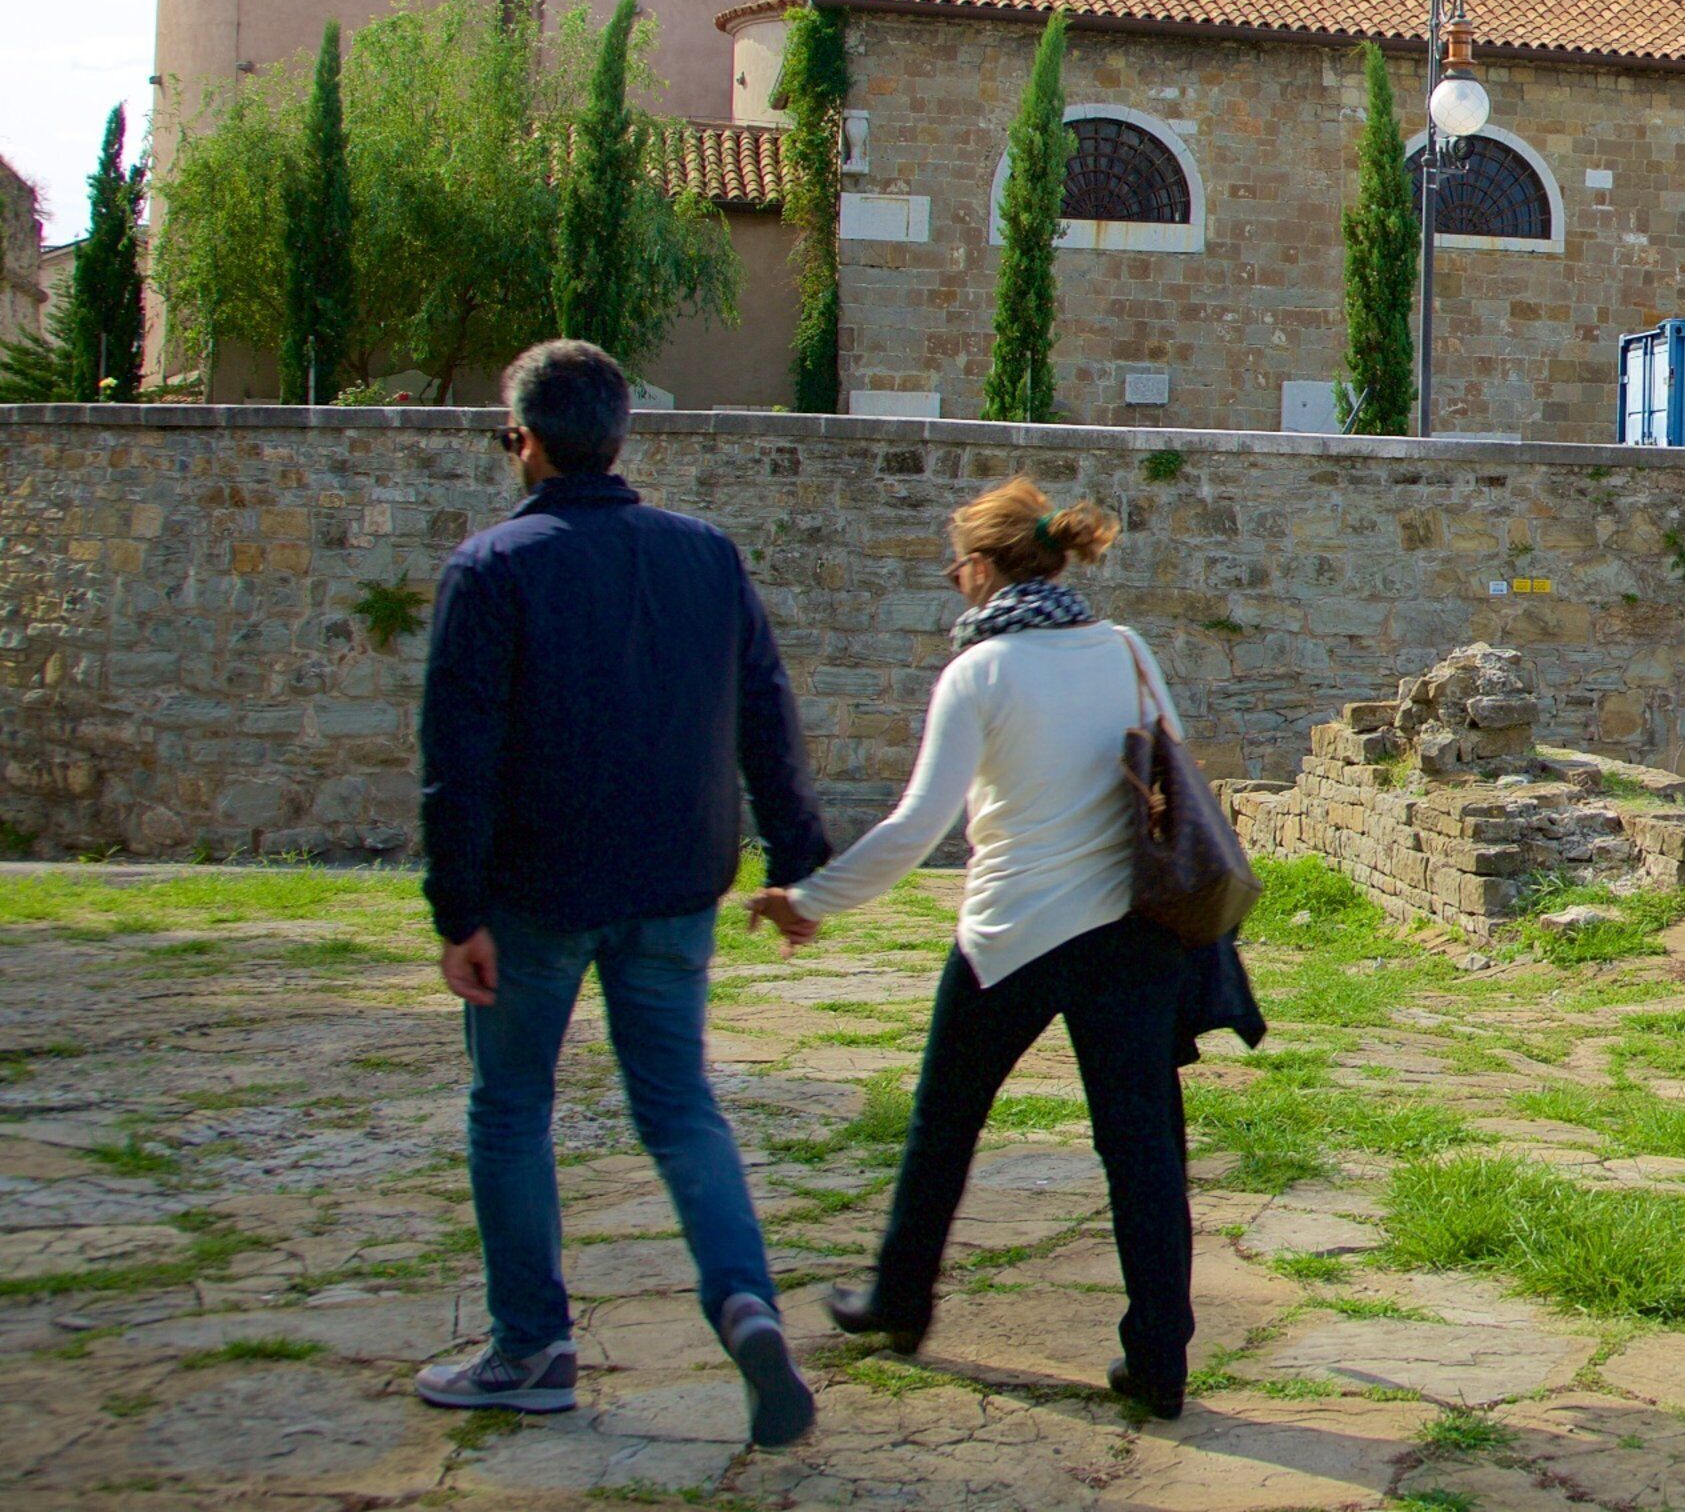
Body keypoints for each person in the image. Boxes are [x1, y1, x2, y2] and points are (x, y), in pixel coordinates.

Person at [414, 340, 827, 1447]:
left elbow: (458, 760)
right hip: (672, 886)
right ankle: (744, 1302)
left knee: (510, 1110)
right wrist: (797, 859)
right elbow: (765, 716)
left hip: (534, 895)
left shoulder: (490, 569)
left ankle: (532, 1346)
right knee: (681, 1106)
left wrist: (456, 914)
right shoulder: (704, 556)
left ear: (530, 443)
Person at [746, 478, 1211, 1416]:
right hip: (1131, 930)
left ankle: (899, 1298)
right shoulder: (1125, 649)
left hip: (1013, 932)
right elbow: (1174, 767)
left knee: (945, 1119)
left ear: (988, 569)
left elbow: (921, 822)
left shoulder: (979, 673)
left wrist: (811, 899)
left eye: (957, 563)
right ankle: (1159, 1358)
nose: (955, 579)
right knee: (1144, 1149)